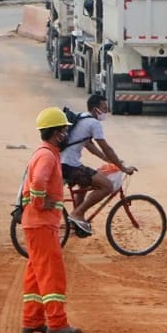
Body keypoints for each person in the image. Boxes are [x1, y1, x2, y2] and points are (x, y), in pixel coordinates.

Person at [20, 108, 82, 333]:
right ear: (56, 133)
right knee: (51, 273)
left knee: (36, 274)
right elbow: (38, 181)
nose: (67, 134)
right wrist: (39, 203)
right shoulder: (47, 155)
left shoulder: (44, 153)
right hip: (41, 223)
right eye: (65, 130)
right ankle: (57, 322)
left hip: (36, 224)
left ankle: (32, 320)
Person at [61, 93, 135, 235]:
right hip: (69, 166)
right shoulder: (94, 123)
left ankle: (73, 222)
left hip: (63, 163)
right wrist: (123, 167)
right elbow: (105, 147)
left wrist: (108, 160)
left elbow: (90, 145)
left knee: (84, 182)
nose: (106, 111)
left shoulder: (82, 117)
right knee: (107, 186)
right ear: (96, 109)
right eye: (104, 108)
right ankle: (78, 213)